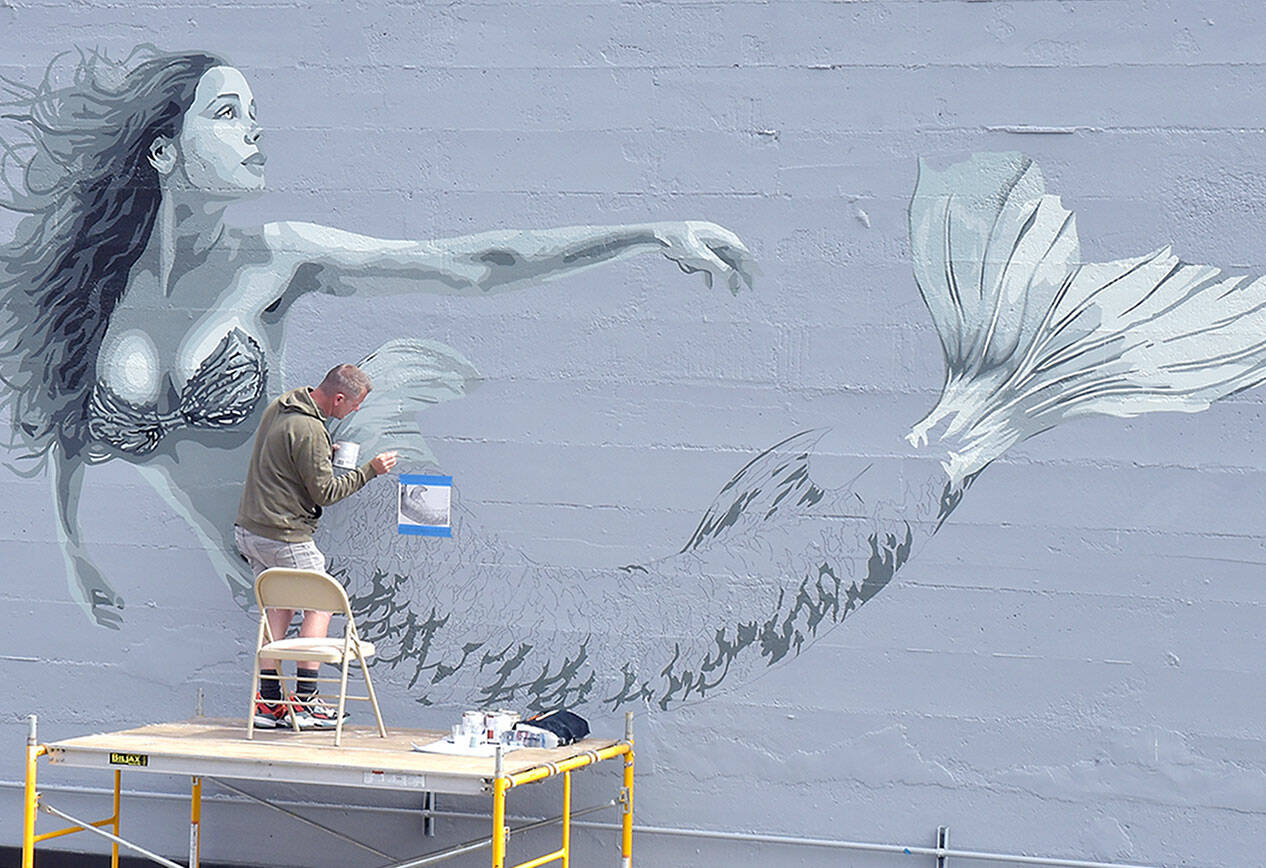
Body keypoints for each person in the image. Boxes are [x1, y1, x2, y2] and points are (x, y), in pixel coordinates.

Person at [0, 46, 756, 628]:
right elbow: (68, 423)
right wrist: (73, 554)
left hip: (306, 548)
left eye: (254, 111)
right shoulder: (94, 291)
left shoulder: (276, 256)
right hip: (216, 571)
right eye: (226, 113)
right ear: (162, 151)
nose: (255, 128)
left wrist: (646, 233)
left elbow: (469, 265)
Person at [235, 363, 398, 728]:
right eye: (353, 405)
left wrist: (322, 453)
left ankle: (268, 704)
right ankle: (307, 702)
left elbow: (286, 455)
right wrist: (370, 470)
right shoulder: (310, 429)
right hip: (284, 534)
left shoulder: (284, 406)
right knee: (321, 604)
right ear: (338, 398)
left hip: (251, 530)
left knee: (277, 611)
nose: (354, 411)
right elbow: (325, 492)